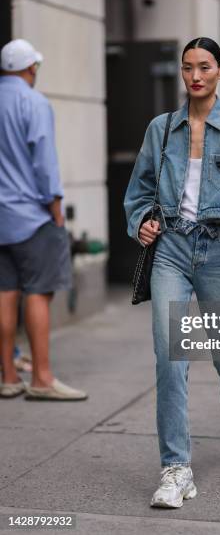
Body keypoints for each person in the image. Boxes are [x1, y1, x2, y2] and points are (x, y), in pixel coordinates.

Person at [124, 37, 220, 508]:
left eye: (204, 67)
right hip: (169, 248)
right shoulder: (161, 129)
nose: (195, 76)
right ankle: (175, 470)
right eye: (187, 67)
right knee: (170, 358)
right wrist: (140, 223)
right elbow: (139, 188)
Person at [0, 39, 87, 401]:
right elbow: (43, 161)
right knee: (38, 293)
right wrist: (56, 210)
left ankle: (7, 376)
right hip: (31, 216)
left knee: (4, 294)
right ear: (31, 68)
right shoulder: (33, 102)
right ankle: (41, 378)